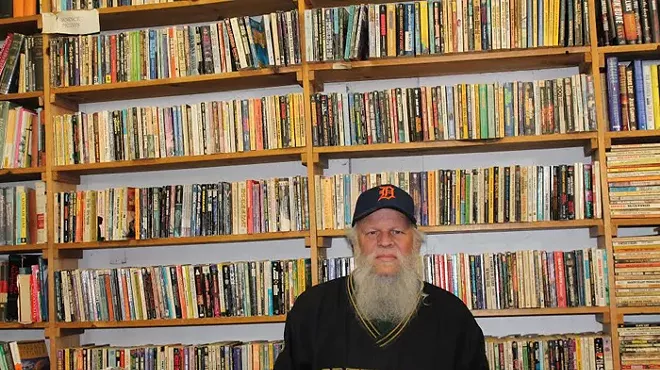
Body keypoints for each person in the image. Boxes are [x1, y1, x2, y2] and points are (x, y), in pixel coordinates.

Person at [273, 184, 489, 370]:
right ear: (355, 243)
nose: (385, 241)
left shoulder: (453, 316)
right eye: (372, 233)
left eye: (397, 231)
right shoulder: (311, 310)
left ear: (415, 243)